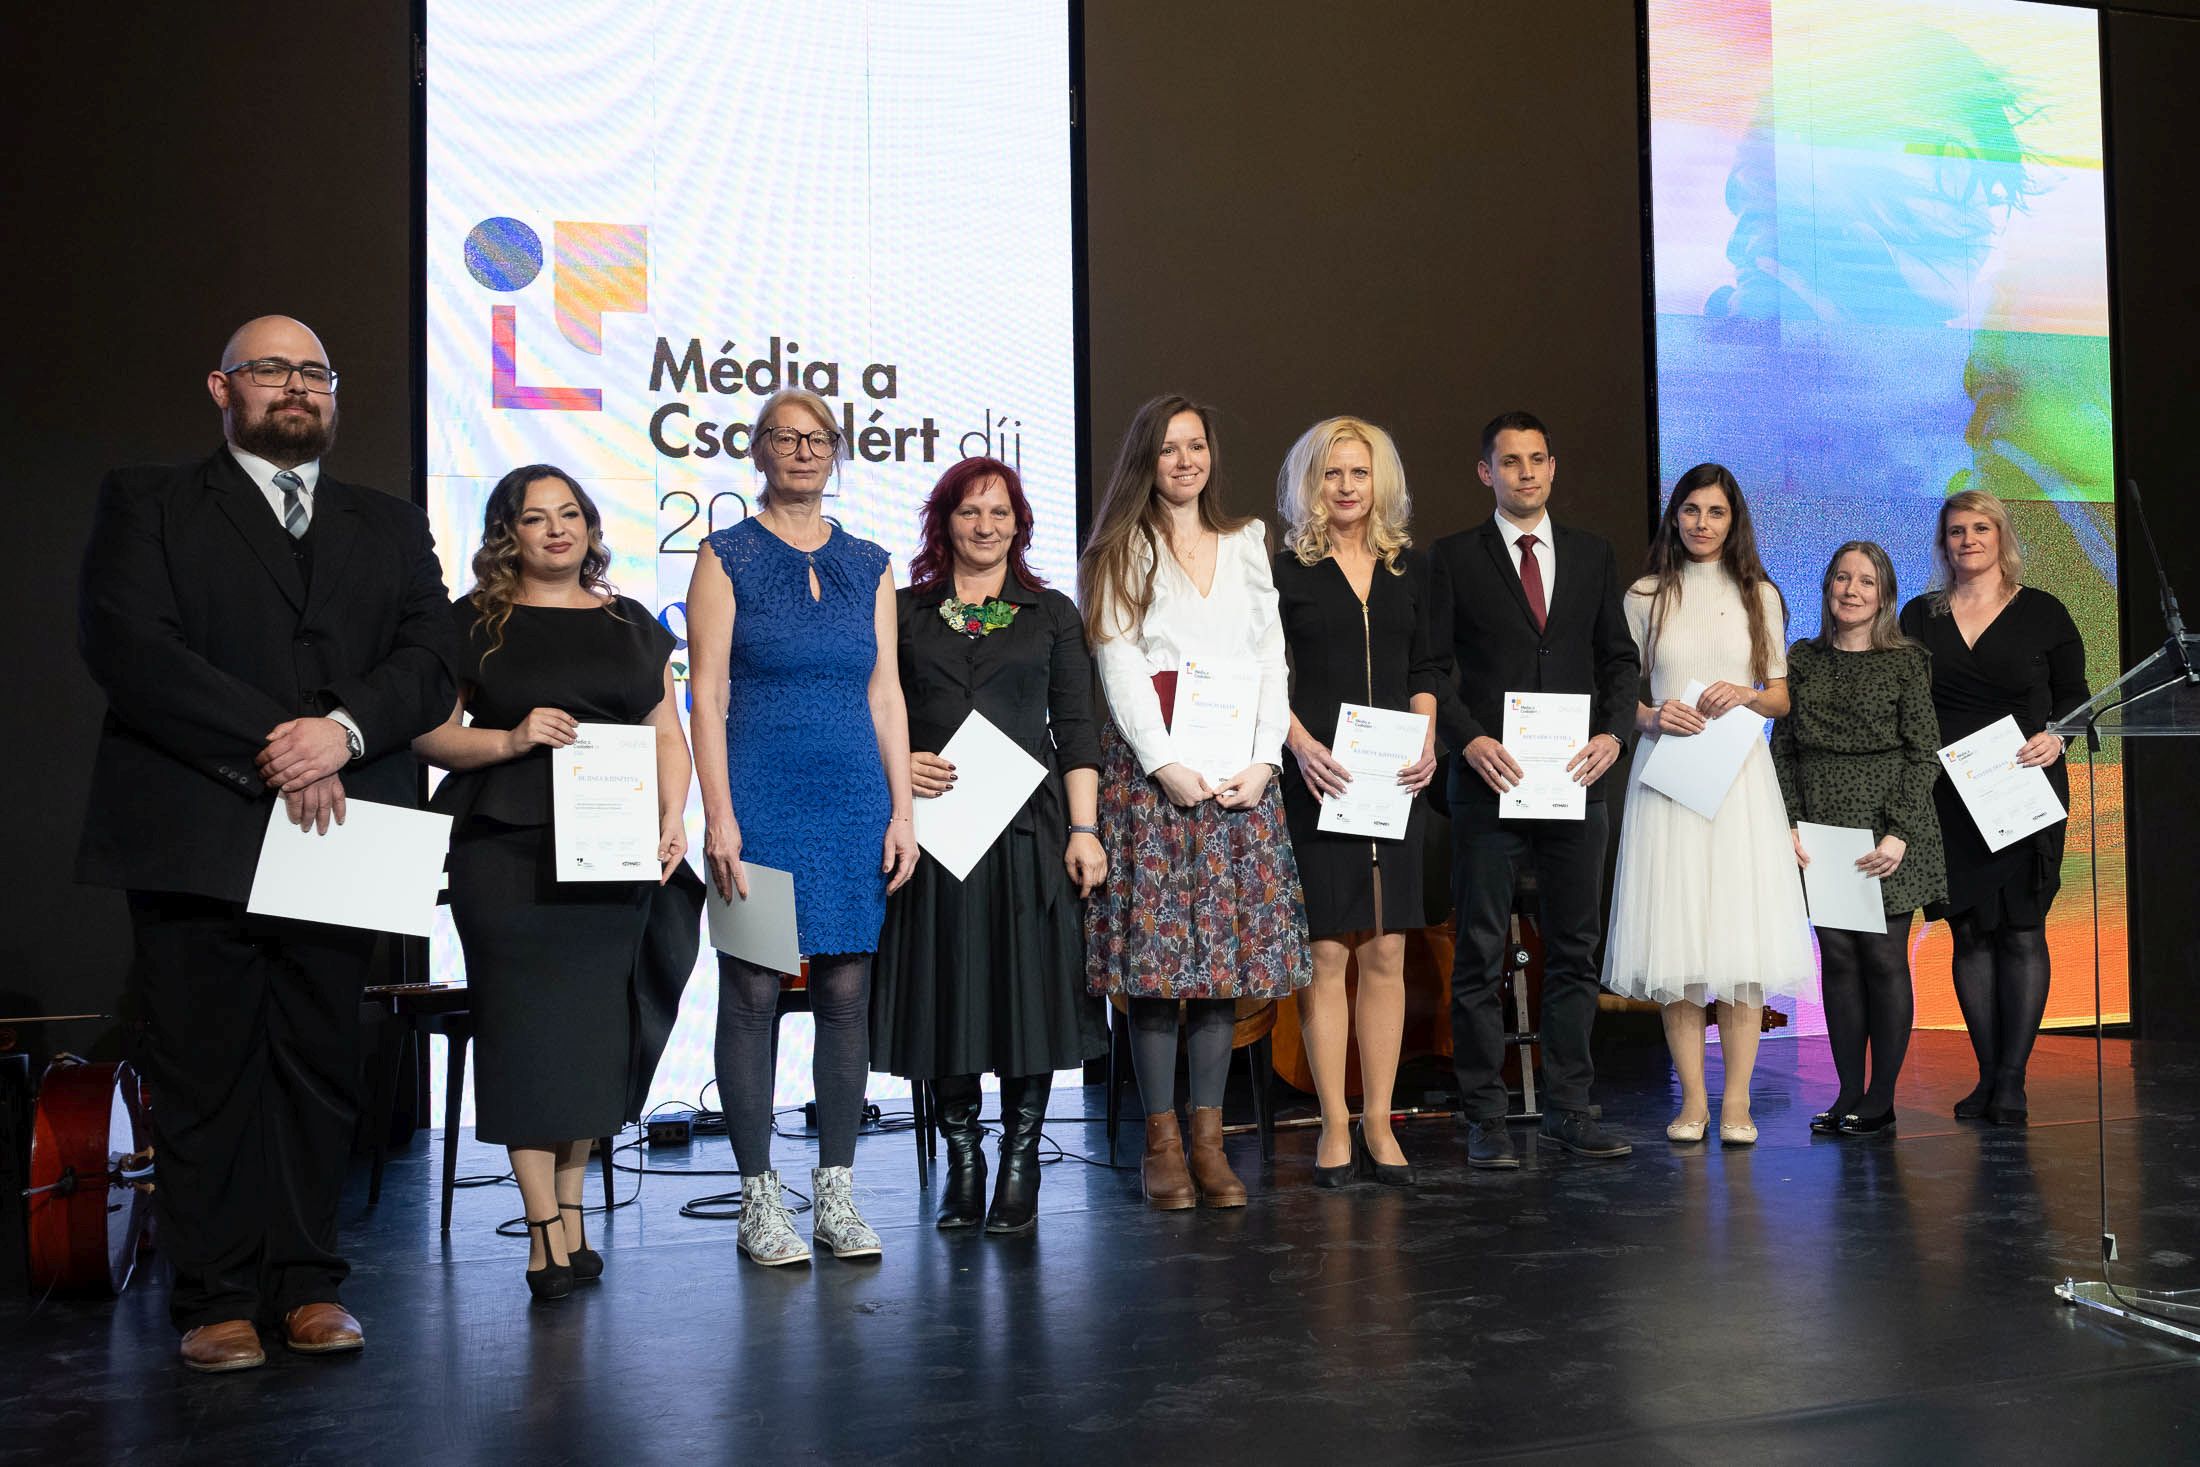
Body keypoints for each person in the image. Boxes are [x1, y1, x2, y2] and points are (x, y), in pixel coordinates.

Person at [75, 315, 457, 1372]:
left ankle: (308, 1283)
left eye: (315, 372)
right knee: (205, 1071)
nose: (297, 386)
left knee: (322, 1064)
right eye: (272, 369)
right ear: (221, 387)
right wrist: (283, 745)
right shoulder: (147, 503)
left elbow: (433, 658)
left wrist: (342, 732)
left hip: (345, 830)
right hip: (200, 826)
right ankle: (215, 1296)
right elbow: (131, 650)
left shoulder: (390, 523)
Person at [414, 465, 698, 1298]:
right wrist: (510, 738)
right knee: (523, 1033)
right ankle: (541, 1230)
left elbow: (667, 733)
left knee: (591, 1038)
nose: (557, 529)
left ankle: (571, 1219)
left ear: (591, 526)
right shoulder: (475, 622)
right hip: (507, 851)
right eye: (536, 517)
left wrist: (673, 816)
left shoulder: (631, 623)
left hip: (611, 853)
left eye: (569, 513)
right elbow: (429, 735)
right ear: (509, 533)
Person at [686, 387, 919, 1265]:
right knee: (751, 994)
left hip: (853, 799)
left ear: (836, 451)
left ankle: (835, 1196)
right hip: (758, 799)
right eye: (785, 437)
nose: (803, 450)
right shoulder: (726, 554)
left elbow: (885, 695)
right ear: (759, 451)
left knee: (847, 996)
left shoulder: (870, 563)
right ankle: (758, 1199)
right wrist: (719, 815)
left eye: (818, 437)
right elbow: (707, 694)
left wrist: (902, 810)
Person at [1081, 394, 1312, 1210]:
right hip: (1156, 783)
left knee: (1221, 971)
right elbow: (1119, 664)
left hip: (1239, 780)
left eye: (1197, 446)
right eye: (1169, 448)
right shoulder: (1122, 547)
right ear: (1145, 460)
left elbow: (1271, 660)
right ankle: (1162, 1145)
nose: (1185, 461)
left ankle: (1211, 1146)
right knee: (1155, 975)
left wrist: (1265, 759)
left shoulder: (1247, 541)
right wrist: (1165, 763)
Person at [872, 457, 1108, 1235]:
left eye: (999, 512)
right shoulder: (905, 611)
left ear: (1020, 523)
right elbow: (873, 708)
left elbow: (1076, 729)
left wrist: (1084, 830)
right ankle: (964, 1159)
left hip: (1028, 831)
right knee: (948, 993)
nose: (985, 526)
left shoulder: (1051, 613)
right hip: (934, 833)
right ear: (944, 522)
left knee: (1026, 995)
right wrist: (898, 761)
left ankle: (1020, 1160)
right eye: (969, 511)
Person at [1428, 412, 1638, 1167]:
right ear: (1485, 472)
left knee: (1575, 950)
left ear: (1553, 467)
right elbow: (1431, 669)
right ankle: (1485, 1115)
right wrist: (1467, 739)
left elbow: (1619, 660)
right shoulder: (1453, 557)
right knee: (1481, 952)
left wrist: (1615, 735)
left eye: (1537, 459)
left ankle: (1569, 1108)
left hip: (1576, 783)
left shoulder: (1592, 553)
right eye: (1510, 461)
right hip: (1490, 783)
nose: (1526, 472)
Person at [1603, 463, 1814, 1146]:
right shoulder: (1644, 596)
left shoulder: (1760, 594)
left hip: (1738, 780)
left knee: (1739, 940)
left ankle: (1738, 1102)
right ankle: (1693, 1100)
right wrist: (1650, 716)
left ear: (1733, 520)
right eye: (1691, 510)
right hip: (1666, 775)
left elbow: (1779, 696)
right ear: (1675, 516)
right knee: (1677, 940)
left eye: (1715, 511)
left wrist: (1746, 694)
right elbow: (1619, 695)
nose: (1702, 523)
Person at [1271, 417, 1442, 1186]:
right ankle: (1334, 1123)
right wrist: (1301, 744)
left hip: (1395, 784)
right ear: (1312, 484)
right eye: (1333, 473)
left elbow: (1427, 665)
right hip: (1320, 780)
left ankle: (1379, 1118)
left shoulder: (1410, 569)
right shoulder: (1286, 573)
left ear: (1381, 482)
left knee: (1387, 950)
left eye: (1359, 472)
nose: (1346, 486)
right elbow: (1264, 676)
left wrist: (1428, 734)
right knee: (1326, 953)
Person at [1899, 489, 2086, 1125]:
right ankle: (1986, 1075)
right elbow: (1906, 699)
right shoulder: (1920, 615)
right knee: (1970, 933)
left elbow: (2076, 698)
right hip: (1949, 796)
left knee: (2022, 930)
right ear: (1944, 542)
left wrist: (2057, 737)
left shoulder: (2044, 612)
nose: (1969, 540)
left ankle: (2012, 1081)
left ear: (2001, 536)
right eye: (1957, 530)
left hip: (2025, 786)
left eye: (1981, 528)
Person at [1772, 541, 1946, 1138]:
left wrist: (1899, 833)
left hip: (1888, 830)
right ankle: (1848, 1091)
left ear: (1885, 595)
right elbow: (1783, 749)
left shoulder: (1907, 661)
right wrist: (1790, 821)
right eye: (1842, 578)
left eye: (1866, 581)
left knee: (1883, 958)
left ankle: (1881, 1098)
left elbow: (1924, 752)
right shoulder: (1802, 658)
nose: (1851, 590)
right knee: (1840, 959)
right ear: (1827, 588)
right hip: (1820, 829)